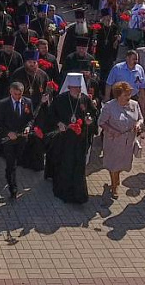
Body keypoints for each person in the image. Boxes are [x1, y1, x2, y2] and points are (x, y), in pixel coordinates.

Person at [45, 73, 97, 204]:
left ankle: (79, 194)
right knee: (66, 163)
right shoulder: (61, 99)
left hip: (80, 139)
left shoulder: (85, 99)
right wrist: (59, 123)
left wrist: (90, 120)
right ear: (69, 87)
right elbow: (51, 114)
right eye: (75, 88)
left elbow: (94, 113)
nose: (78, 90)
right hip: (64, 139)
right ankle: (65, 192)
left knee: (79, 164)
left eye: (79, 87)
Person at [99, 81, 144, 199]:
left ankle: (115, 179)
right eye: (125, 95)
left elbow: (141, 118)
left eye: (129, 94)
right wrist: (112, 131)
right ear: (118, 95)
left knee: (122, 164)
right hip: (113, 141)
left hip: (128, 142)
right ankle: (115, 186)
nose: (128, 97)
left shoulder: (134, 104)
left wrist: (138, 124)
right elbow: (101, 122)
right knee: (113, 164)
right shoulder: (109, 106)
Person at [0, 81, 35, 198]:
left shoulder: (27, 102)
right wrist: (8, 132)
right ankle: (13, 187)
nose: (17, 97)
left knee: (16, 160)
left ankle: (10, 173)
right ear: (11, 92)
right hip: (8, 139)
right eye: (15, 94)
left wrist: (28, 127)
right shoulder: (3, 104)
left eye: (20, 94)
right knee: (11, 164)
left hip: (21, 138)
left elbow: (31, 118)